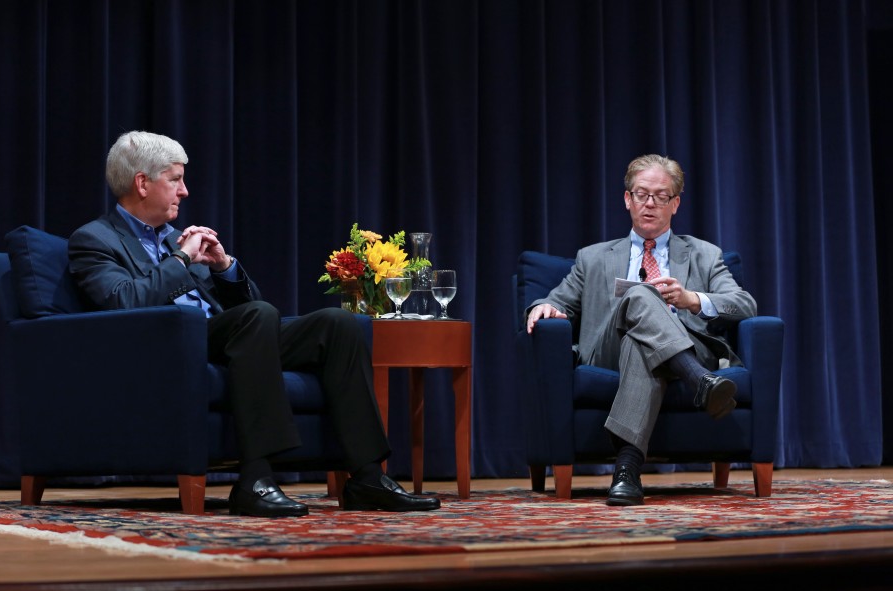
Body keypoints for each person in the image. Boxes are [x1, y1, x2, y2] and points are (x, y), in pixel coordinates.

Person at [68, 130, 440, 517]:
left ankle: (366, 477)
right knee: (256, 320)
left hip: (226, 337)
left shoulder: (179, 238)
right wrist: (179, 260)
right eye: (175, 179)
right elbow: (124, 301)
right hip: (167, 344)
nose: (185, 191)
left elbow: (259, 311)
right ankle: (256, 479)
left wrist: (225, 267)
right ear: (142, 183)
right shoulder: (95, 240)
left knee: (339, 323)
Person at [524, 154, 756, 507]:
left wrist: (691, 298)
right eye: (642, 194)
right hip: (607, 354)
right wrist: (541, 306)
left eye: (661, 196)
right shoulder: (593, 258)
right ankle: (699, 381)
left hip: (686, 343)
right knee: (640, 293)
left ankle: (627, 471)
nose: (650, 204)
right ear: (627, 199)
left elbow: (744, 305)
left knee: (640, 341)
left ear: (675, 204)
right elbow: (558, 300)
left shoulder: (705, 255)